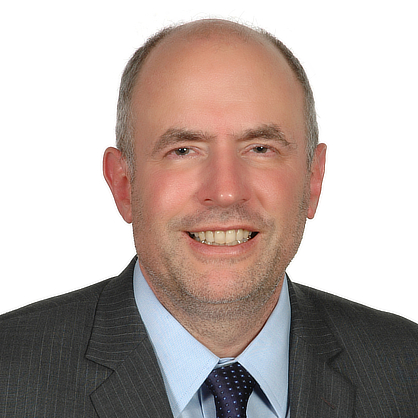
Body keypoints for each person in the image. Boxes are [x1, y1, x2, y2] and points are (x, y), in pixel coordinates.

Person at [0, 18, 417, 418]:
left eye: (260, 148)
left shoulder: (407, 371)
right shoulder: (9, 376)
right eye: (183, 150)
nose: (225, 190)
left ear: (313, 179)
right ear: (123, 184)